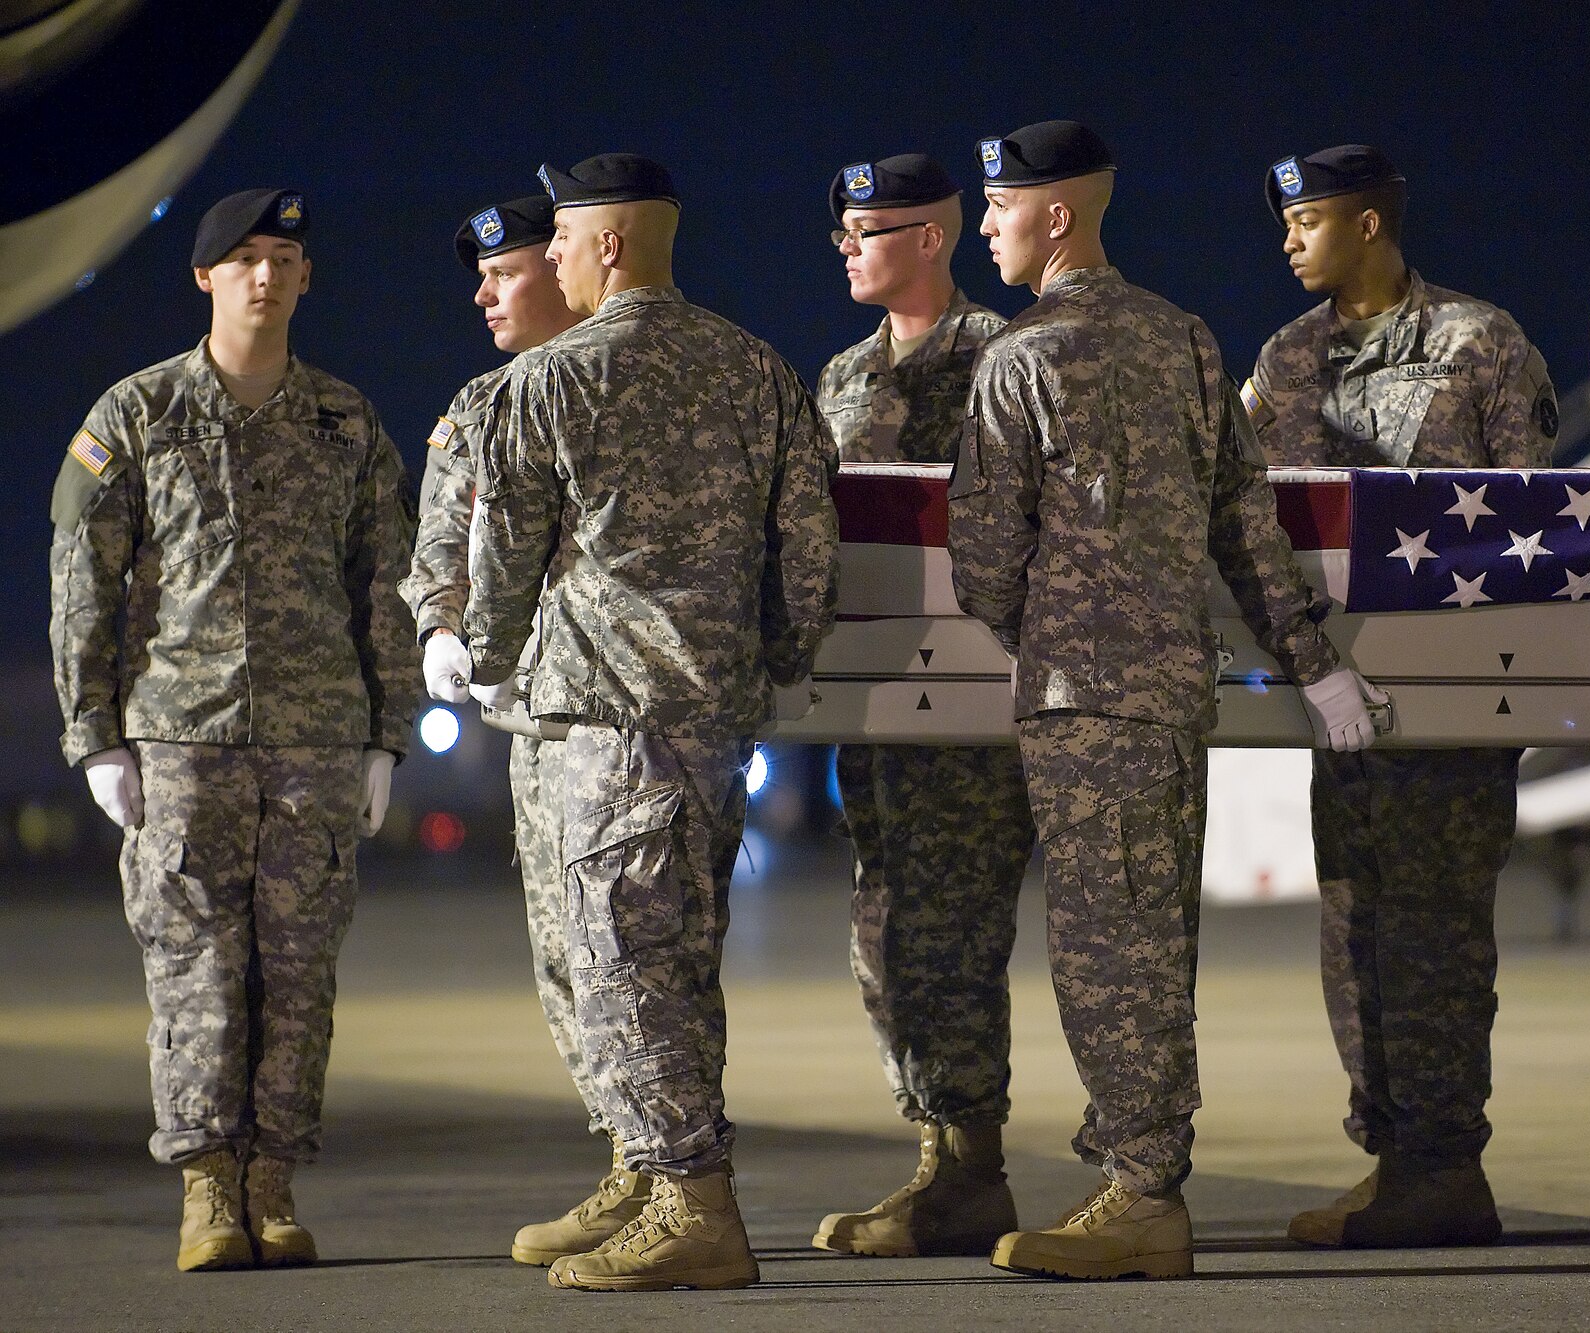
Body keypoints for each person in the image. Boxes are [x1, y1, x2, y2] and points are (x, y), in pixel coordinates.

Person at [948, 119, 1380, 1282]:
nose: (984, 225)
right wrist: (1308, 656)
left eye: (997, 207)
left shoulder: (1019, 360)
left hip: (1078, 697)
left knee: (1104, 951)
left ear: (1054, 214)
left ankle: (1142, 1193)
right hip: (1170, 690)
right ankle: (1137, 1180)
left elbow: (983, 557)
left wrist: (1038, 633)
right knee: (1143, 940)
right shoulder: (1185, 339)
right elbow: (1245, 526)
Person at [464, 153, 840, 1292]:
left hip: (610, 722)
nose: (557, 260)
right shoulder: (756, 368)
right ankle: (656, 1175)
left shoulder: (553, 381)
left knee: (622, 960)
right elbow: (808, 554)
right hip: (718, 723)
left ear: (608, 244)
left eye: (566, 240)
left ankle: (692, 1202)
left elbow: (501, 569)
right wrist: (766, 660)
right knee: (680, 960)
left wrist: (485, 662)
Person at [48, 188, 418, 1271]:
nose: (266, 275)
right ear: (204, 277)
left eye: (285, 257)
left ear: (307, 278)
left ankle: (275, 1180)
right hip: (179, 736)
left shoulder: (344, 419)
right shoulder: (136, 416)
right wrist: (96, 736)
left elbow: (385, 584)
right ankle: (209, 1188)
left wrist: (388, 731)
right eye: (245, 258)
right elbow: (85, 583)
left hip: (315, 740)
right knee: (194, 970)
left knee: (299, 975)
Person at [1241, 144, 1559, 1249]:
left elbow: (1535, 529)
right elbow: (1250, 520)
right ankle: (1393, 1160)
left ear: (1369, 223)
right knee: (1354, 930)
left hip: (1452, 700)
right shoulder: (1284, 362)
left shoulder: (1479, 344)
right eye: (1284, 221)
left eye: (1309, 219)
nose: (1288, 238)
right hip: (1340, 702)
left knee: (1434, 933)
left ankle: (1441, 1164)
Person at [810, 152, 1038, 1259]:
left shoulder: (1001, 359)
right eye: (845, 230)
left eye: (867, 228)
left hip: (974, 709)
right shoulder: (843, 378)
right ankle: (938, 1156)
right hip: (874, 711)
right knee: (886, 935)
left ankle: (973, 1166)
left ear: (931, 238)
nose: (846, 247)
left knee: (953, 932)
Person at [397, 193, 619, 1267]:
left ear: (568, 263)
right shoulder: (478, 404)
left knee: (648, 955)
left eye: (507, 271)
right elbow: (439, 535)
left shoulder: (631, 379)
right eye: (477, 278)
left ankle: (669, 1168)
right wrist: (439, 626)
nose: (484, 294)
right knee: (568, 961)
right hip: (535, 725)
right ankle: (631, 1163)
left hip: (636, 713)